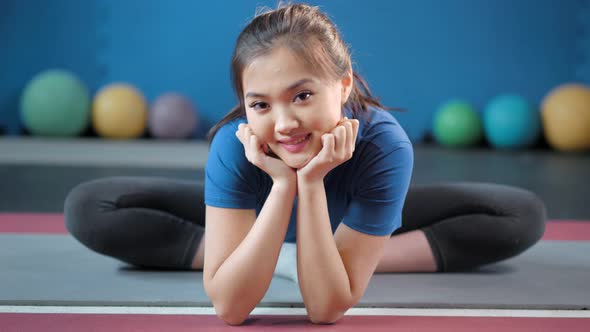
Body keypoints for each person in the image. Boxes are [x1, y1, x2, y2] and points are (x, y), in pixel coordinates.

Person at [64, 2, 546, 326]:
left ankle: (290, 260)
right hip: (259, 215)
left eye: (303, 95)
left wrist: (312, 183)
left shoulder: (383, 146)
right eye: (261, 104)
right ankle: (285, 257)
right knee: (93, 206)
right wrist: (281, 186)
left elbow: (325, 308)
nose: (284, 123)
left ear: (343, 85)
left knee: (518, 215)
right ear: (245, 105)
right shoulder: (237, 146)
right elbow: (231, 308)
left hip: (346, 215)